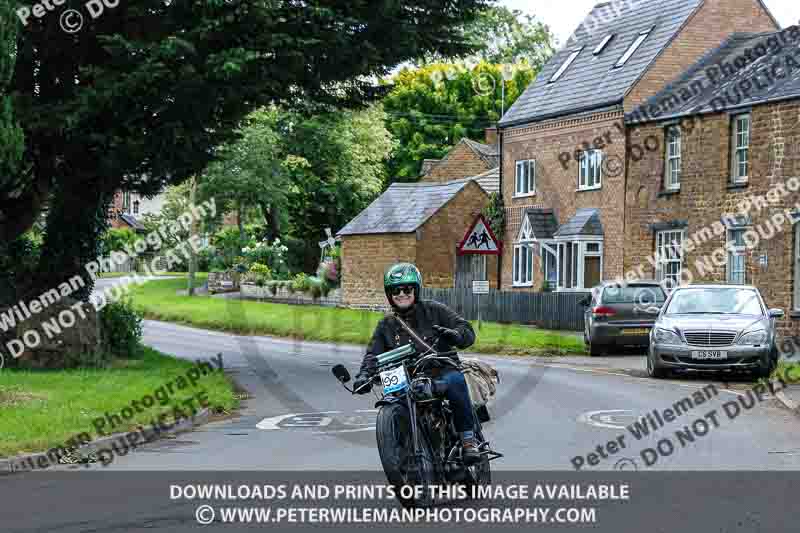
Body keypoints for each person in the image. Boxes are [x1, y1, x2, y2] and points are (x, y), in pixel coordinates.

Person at [352, 262, 481, 464]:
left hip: (439, 370)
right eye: (395, 290)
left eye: (407, 289)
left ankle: (467, 440)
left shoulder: (434, 310)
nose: (401, 294)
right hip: (406, 378)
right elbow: (373, 355)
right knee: (395, 400)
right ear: (389, 294)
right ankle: (403, 447)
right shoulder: (386, 324)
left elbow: (465, 329)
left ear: (416, 290)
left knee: (455, 381)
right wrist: (364, 376)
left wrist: (455, 335)